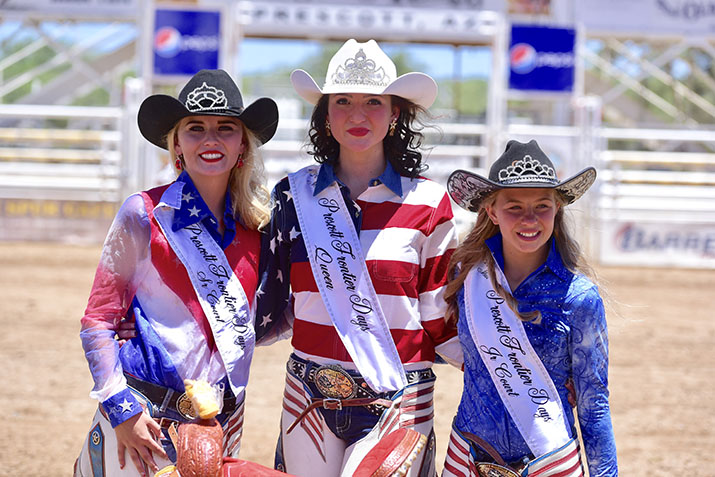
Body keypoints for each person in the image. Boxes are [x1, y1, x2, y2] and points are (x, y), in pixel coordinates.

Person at [255, 39, 462, 477]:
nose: (357, 114)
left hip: (399, 394)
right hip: (308, 394)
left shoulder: (429, 202)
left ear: (395, 114)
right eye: (342, 101)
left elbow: (440, 318)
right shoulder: (293, 195)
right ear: (325, 116)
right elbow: (269, 304)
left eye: (373, 102)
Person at [74, 69, 279, 477]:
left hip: (221, 422)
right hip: (142, 417)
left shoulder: (260, 229)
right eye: (195, 128)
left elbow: (266, 322)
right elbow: (97, 321)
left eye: (225, 128)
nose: (210, 140)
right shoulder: (143, 213)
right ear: (177, 145)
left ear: (242, 146)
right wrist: (121, 409)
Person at [440, 139, 618, 477]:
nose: (530, 219)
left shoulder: (579, 298)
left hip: (550, 463)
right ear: (491, 211)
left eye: (542, 206)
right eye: (514, 207)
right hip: (468, 460)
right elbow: (443, 343)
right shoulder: (466, 280)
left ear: (557, 209)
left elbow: (594, 407)